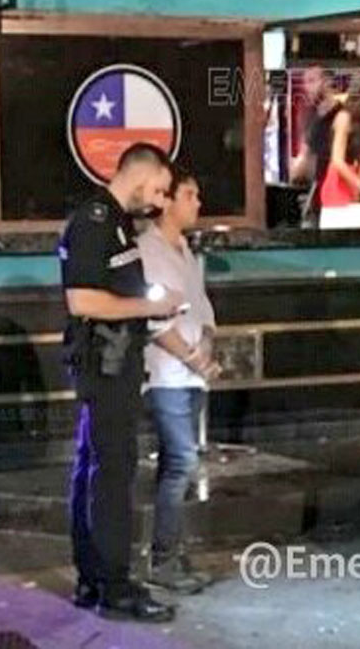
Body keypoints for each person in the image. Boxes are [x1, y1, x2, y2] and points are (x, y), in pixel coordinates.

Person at [59, 143, 183, 622]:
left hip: (116, 364)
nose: (159, 200)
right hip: (104, 367)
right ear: (139, 174)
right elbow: (84, 301)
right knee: (111, 474)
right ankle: (113, 585)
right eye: (158, 188)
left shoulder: (115, 222)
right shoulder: (95, 222)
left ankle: (94, 578)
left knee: (97, 469)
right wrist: (151, 307)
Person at [138, 165, 220, 594]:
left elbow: (201, 307)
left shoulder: (185, 251)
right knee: (182, 462)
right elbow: (155, 320)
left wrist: (205, 343)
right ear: (166, 201)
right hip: (167, 375)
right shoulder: (148, 252)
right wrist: (192, 358)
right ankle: (164, 559)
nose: (197, 203)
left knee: (178, 465)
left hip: (191, 376)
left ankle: (171, 549)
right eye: (189, 194)